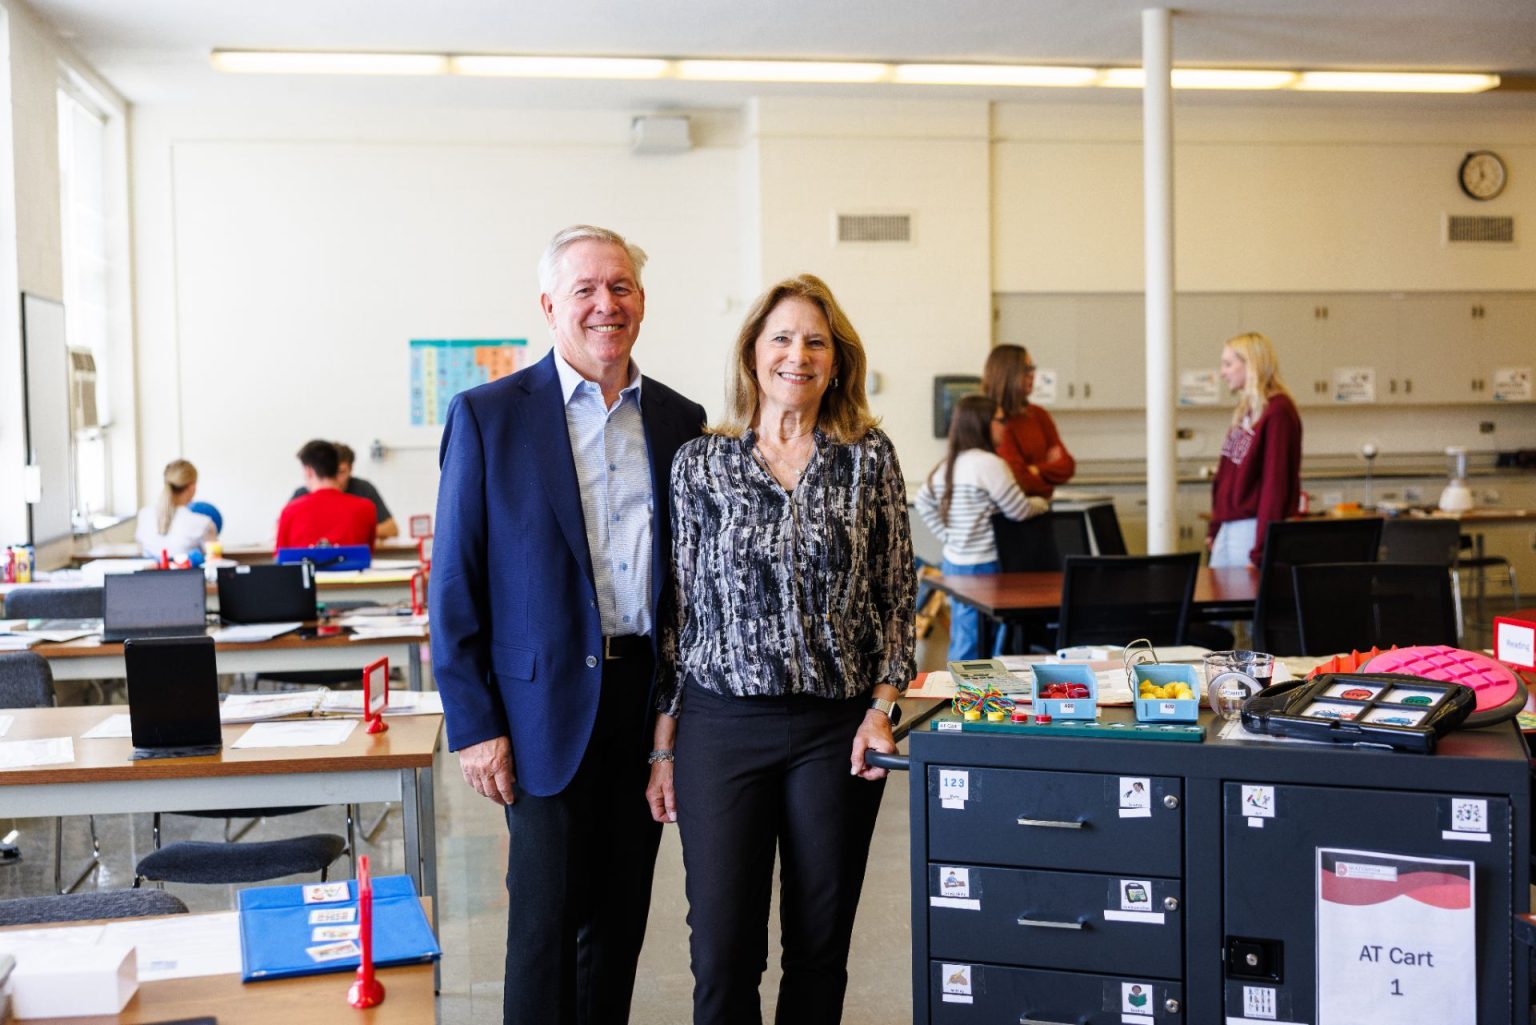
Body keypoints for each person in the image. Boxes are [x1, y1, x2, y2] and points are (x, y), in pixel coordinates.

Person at [431, 225, 706, 1025]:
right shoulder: (488, 416)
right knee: (545, 926)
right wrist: (475, 723)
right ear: (549, 305)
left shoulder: (681, 422)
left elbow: (690, 586)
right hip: (537, 705)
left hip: (643, 703)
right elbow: (454, 583)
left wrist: (676, 719)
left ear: (642, 304)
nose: (604, 304)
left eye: (619, 287)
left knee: (619, 924)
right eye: (584, 289)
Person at [647, 274, 917, 1025]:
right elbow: (679, 607)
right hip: (721, 726)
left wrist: (882, 706)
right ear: (752, 354)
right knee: (725, 950)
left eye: (815, 342)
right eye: (781, 338)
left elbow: (900, 595)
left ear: (836, 361)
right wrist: (665, 743)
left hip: (837, 730)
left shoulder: (869, 458)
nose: (797, 354)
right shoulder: (701, 462)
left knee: (819, 947)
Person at [916, 394, 1049, 660]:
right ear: (983, 423)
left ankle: (963, 698)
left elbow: (922, 501)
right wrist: (1041, 503)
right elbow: (1019, 510)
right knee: (989, 643)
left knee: (966, 637)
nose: (1005, 426)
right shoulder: (990, 464)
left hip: (955, 562)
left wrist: (950, 537)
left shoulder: (948, 464)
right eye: (1000, 420)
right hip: (984, 567)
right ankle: (971, 698)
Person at [1207, 331, 1302, 568]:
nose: (1222, 372)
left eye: (1228, 364)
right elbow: (1226, 473)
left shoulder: (1278, 412)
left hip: (1251, 530)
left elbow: (1274, 486)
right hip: (1230, 526)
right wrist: (1216, 526)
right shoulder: (1248, 411)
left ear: (1251, 364)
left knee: (1244, 602)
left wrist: (1261, 550)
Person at [981, 344, 1075, 497]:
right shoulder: (995, 419)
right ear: (1007, 373)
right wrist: (1047, 474)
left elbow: (1067, 466)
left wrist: (1036, 469)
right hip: (1009, 513)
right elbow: (1018, 479)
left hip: (1039, 510)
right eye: (1025, 369)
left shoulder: (1039, 415)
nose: (1032, 374)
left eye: (1032, 368)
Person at [274, 439, 377, 551]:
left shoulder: (291, 510)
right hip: (352, 569)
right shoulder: (366, 508)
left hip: (306, 568)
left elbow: (281, 558)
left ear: (309, 471)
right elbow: (368, 553)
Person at [289, 442, 398, 539]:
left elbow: (391, 528)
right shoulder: (301, 495)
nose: (335, 478)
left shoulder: (363, 491)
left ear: (351, 469)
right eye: (332, 472)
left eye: (341, 472)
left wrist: (355, 531)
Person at [135, 459, 217, 558]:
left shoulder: (144, 515)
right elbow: (214, 560)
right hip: (187, 573)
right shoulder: (203, 523)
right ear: (192, 487)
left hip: (150, 573)